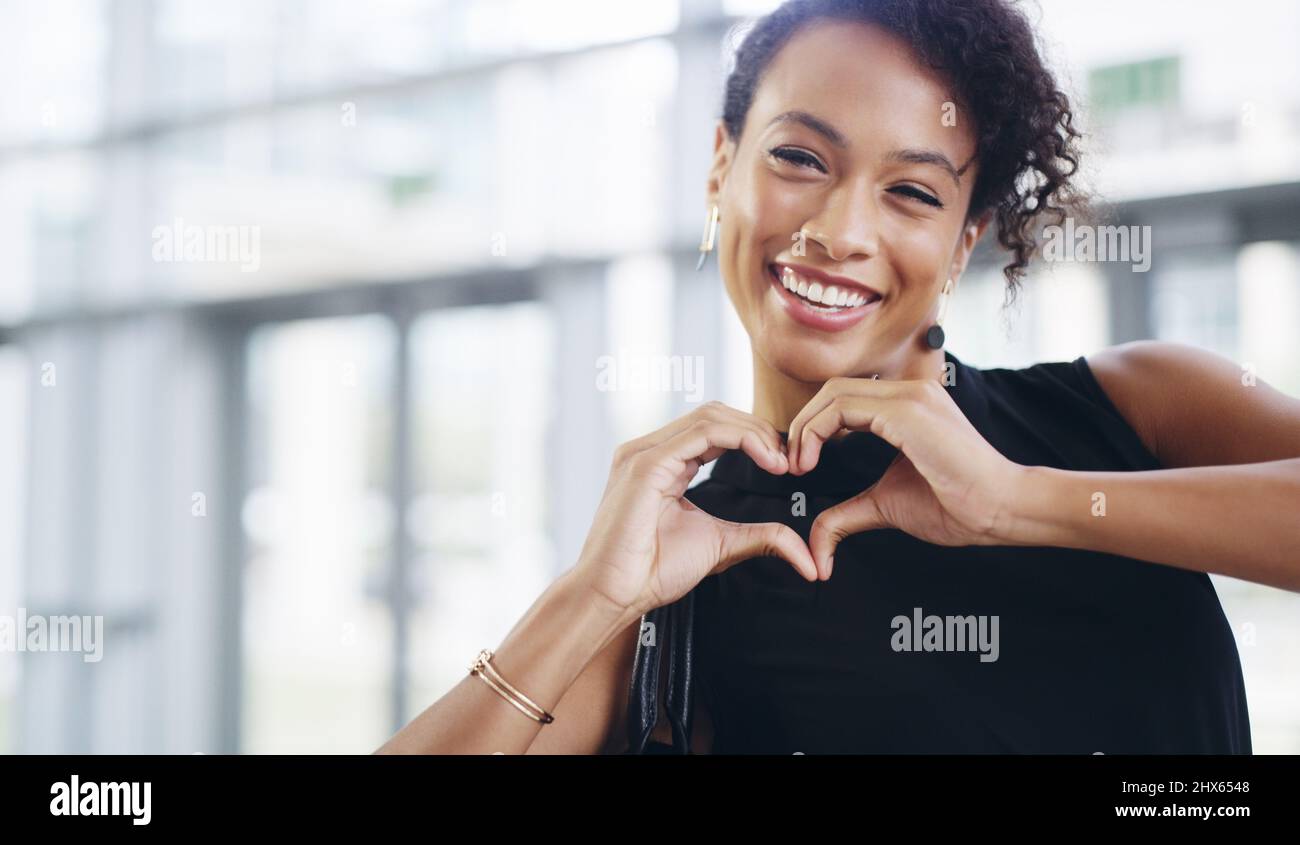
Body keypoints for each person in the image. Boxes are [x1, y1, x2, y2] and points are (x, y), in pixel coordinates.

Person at [376, 0, 1300, 755]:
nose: (840, 230)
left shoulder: (1140, 407)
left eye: (912, 192)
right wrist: (589, 597)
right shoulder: (676, 572)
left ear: (960, 245)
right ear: (720, 168)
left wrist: (1016, 501)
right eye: (799, 158)